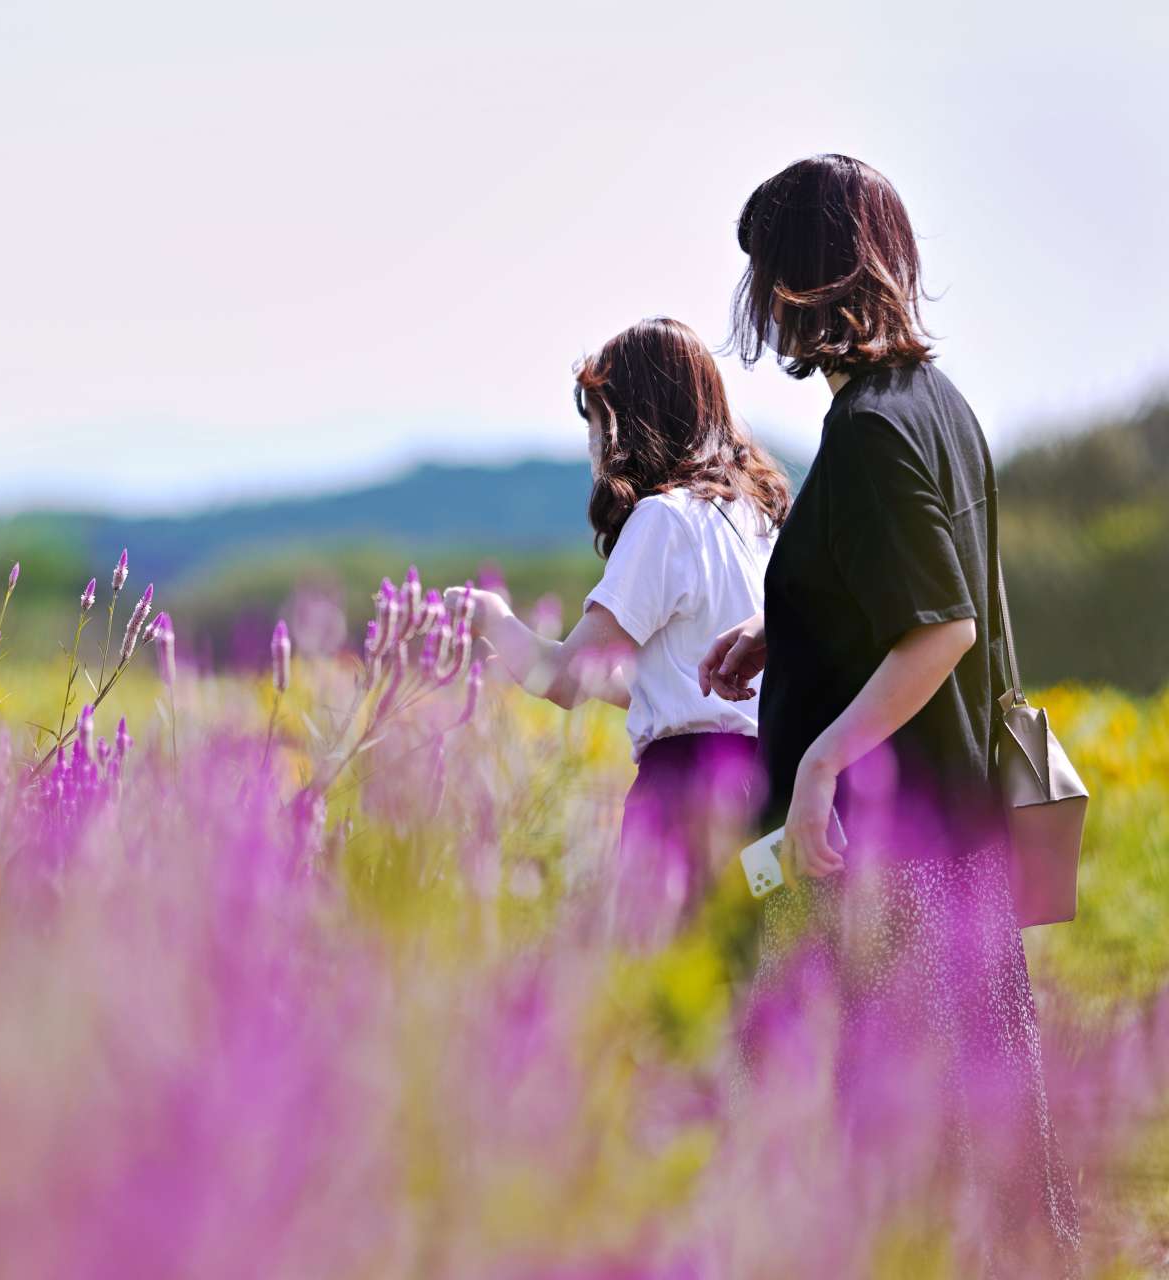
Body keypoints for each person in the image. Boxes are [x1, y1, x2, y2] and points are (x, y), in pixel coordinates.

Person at [702, 154, 1080, 1273]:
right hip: (953, 836)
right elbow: (914, 590)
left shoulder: (869, 430)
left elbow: (941, 628)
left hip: (891, 849)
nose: (762, 302)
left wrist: (818, 764)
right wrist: (790, 632)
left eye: (767, 272)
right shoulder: (937, 406)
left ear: (804, 280)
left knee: (904, 1140)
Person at [450, 316, 788, 943]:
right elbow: (689, 680)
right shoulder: (758, 518)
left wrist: (490, 620)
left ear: (631, 419)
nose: (593, 445)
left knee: (664, 994)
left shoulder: (663, 521)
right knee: (744, 988)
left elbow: (563, 679)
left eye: (597, 422)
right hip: (767, 795)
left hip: (681, 795)